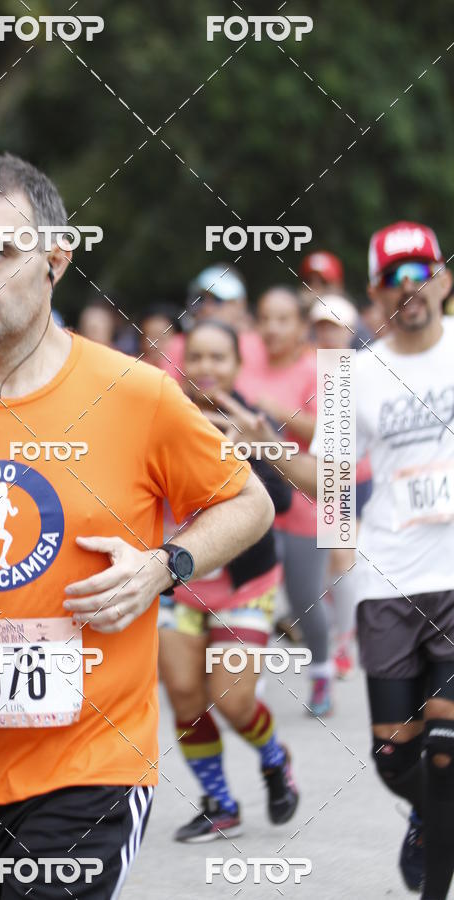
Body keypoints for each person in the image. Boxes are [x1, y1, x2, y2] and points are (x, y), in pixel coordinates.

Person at [0, 153, 275, 900]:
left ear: (56, 256)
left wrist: (163, 565)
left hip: (92, 771)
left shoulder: (135, 394)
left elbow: (248, 503)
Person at [257, 221, 454, 900]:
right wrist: (267, 442)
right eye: (395, 278)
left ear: (444, 279)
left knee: (445, 743)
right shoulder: (354, 378)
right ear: (375, 294)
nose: (411, 288)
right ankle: (428, 818)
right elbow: (329, 478)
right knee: (395, 759)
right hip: (388, 580)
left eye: (421, 272)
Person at [158, 320, 299, 841]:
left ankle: (274, 758)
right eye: (196, 357)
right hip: (182, 582)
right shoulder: (166, 414)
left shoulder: (251, 419)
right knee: (185, 693)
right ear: (183, 363)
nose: (207, 368)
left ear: (239, 366)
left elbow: (280, 505)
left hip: (246, 586)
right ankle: (219, 802)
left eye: (219, 358)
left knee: (233, 700)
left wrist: (248, 453)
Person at [251, 285, 332, 715]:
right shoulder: (244, 360)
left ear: (301, 326)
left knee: (304, 599)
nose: (273, 328)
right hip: (253, 503)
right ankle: (249, 687)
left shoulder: (319, 369)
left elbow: (332, 435)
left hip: (303, 501)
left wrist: (278, 413)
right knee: (253, 598)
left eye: (283, 319)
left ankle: (321, 674)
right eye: (265, 318)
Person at [309, 294, 371, 679]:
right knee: (332, 561)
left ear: (350, 330)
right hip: (311, 478)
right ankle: (339, 627)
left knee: (342, 556)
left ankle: (345, 640)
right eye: (321, 326)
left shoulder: (361, 368)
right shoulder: (305, 368)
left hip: (354, 476)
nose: (328, 334)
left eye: (334, 326)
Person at [159, 264, 266, 400]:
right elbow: (166, 394)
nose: (207, 308)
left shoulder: (259, 345)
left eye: (217, 300)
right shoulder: (178, 344)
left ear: (240, 304)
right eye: (201, 299)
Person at [138, 302, 181, 369]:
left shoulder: (188, 370)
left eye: (161, 338)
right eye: (148, 338)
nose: (153, 345)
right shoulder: (138, 367)